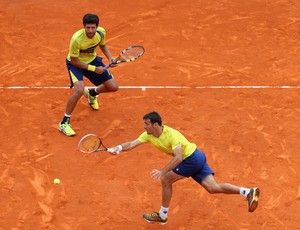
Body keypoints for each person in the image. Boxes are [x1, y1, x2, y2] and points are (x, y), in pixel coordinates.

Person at [108, 111, 260, 225]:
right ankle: (247, 192)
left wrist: (163, 171)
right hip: (197, 157)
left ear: (155, 125)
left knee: (166, 179)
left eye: (146, 124)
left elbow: (179, 157)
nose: (144, 126)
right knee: (212, 188)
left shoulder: (172, 135)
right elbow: (132, 144)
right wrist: (118, 147)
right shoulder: (149, 135)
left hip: (191, 159)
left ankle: (162, 214)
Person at [59, 13, 118, 136]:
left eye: (93, 27)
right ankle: (64, 122)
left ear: (97, 27)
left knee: (113, 87)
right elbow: (75, 61)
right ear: (84, 27)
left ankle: (92, 93)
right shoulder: (76, 39)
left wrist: (110, 58)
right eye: (88, 28)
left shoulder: (101, 33)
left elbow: (103, 45)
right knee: (79, 90)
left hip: (92, 60)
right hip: (76, 64)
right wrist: (94, 69)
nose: (90, 30)